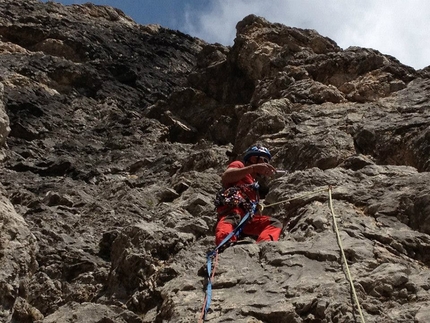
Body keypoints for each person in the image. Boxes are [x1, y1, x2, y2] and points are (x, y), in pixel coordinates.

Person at [214, 144, 283, 245]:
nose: (263, 163)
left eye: (265, 161)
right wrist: (253, 168)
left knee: (274, 223)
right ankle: (224, 243)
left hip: (247, 218)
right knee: (233, 217)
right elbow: (227, 177)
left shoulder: (254, 188)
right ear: (251, 159)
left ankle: (265, 245)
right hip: (233, 208)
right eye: (260, 159)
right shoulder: (239, 165)